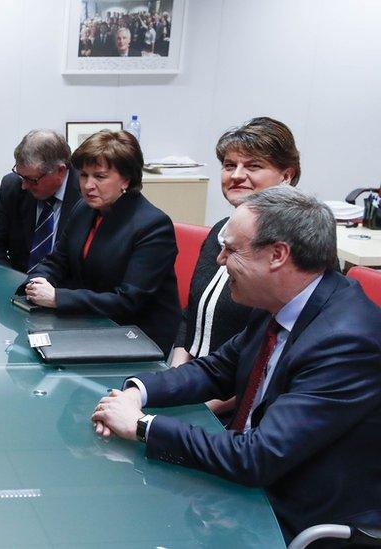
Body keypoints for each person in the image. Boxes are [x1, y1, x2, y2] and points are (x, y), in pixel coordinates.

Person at [91, 186, 381, 543]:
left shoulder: (347, 340)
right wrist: (139, 392)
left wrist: (142, 426)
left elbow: (258, 457)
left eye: (231, 249)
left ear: (277, 255)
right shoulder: (282, 302)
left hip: (293, 513)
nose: (219, 260)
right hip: (245, 484)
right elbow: (216, 370)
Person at [171, 117, 301, 416]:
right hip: (194, 387)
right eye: (230, 166)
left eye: (253, 166)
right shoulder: (220, 230)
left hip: (241, 408)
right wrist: (175, 379)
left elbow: (273, 361)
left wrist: (200, 409)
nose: (236, 176)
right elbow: (190, 315)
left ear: (287, 175)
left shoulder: (298, 250)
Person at [21, 130, 180, 353]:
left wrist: (58, 298)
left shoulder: (153, 226)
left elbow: (128, 302)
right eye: (84, 175)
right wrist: (39, 280)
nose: (87, 185)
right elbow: (57, 260)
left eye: (100, 176)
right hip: (88, 323)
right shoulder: (84, 208)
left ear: (126, 179)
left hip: (134, 335)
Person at [0, 129, 82, 273]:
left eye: (32, 180)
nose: (24, 185)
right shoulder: (13, 186)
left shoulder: (85, 196)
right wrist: (13, 284)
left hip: (62, 291)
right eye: (21, 176)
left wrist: (54, 294)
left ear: (60, 171)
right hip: (15, 287)